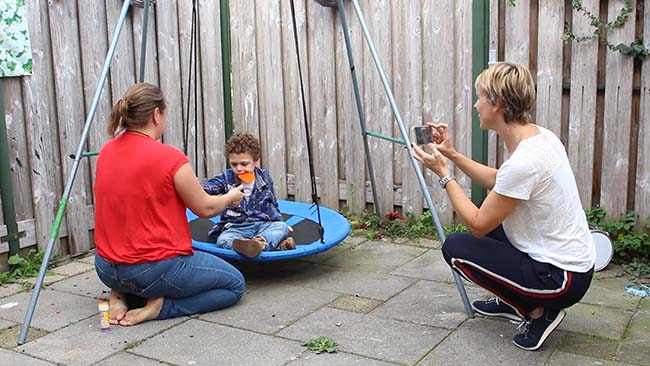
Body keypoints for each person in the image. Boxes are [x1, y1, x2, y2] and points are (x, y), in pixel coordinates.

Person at [412, 62, 595, 351]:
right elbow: (502, 180)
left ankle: (537, 311)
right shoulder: (539, 137)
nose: (475, 105)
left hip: (560, 279)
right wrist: (453, 154)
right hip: (572, 263)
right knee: (491, 220)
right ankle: (515, 299)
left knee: (456, 248)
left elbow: (477, 223)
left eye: (480, 97)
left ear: (496, 104)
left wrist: (444, 174)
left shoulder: (525, 161)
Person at [94, 83, 246, 326]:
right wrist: (230, 198)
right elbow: (205, 208)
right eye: (164, 113)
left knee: (130, 265)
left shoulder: (107, 150)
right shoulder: (170, 157)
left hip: (105, 266)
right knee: (234, 284)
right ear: (156, 114)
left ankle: (118, 294)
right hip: (150, 269)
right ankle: (160, 308)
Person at [201, 132, 295, 258]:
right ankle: (268, 245)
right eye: (234, 164)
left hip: (262, 224)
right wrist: (192, 186)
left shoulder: (264, 177)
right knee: (223, 239)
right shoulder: (226, 178)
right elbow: (208, 187)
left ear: (256, 161)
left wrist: (279, 222)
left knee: (281, 228)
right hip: (236, 227)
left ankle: (258, 243)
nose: (239, 169)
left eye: (244, 164)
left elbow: (272, 203)